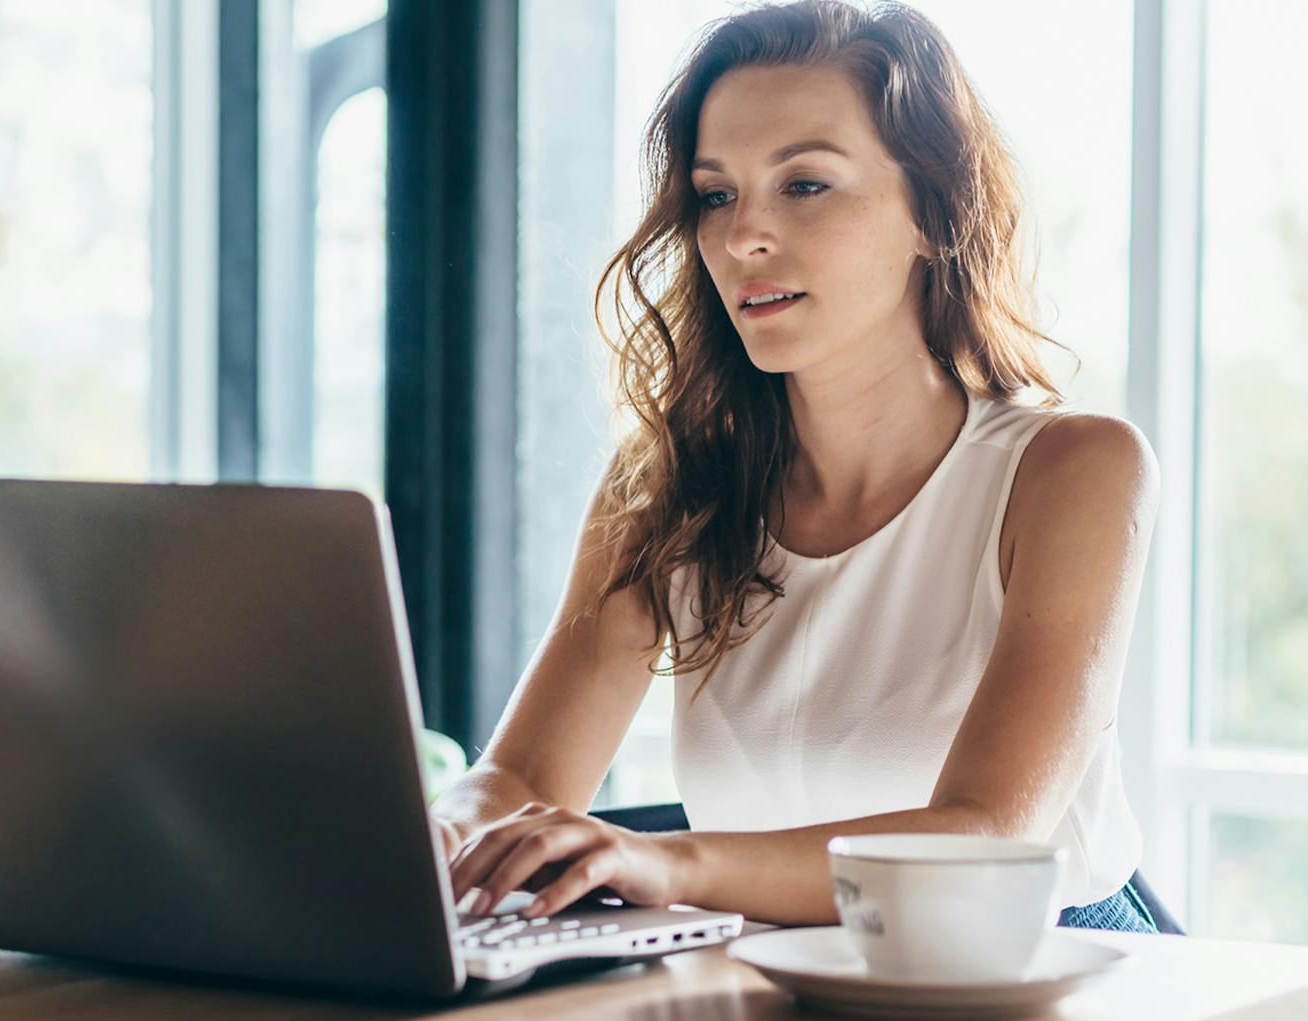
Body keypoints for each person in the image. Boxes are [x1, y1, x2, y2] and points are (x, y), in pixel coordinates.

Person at [428, 0, 1159, 933]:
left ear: (934, 213)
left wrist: (669, 861)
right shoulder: (667, 483)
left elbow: (983, 838)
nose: (742, 238)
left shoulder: (1074, 469)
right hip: (771, 962)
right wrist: (424, 840)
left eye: (805, 185)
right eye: (716, 193)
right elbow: (521, 779)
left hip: (1045, 968)